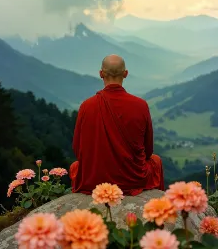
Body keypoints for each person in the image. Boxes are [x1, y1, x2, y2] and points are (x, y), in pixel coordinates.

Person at [69, 54, 164, 195]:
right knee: (156, 161)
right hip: (132, 179)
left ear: (101, 74)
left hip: (94, 181)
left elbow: (78, 150)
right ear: (125, 74)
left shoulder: (86, 106)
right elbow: (148, 151)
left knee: (75, 167)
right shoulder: (140, 105)